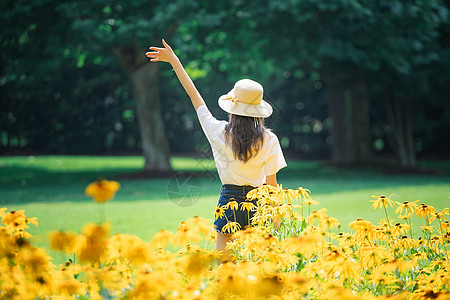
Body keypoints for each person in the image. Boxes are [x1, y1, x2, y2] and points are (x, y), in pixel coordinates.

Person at [146, 40, 287, 258]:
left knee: (225, 269)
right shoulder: (269, 139)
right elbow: (271, 187)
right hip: (258, 206)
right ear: (258, 111)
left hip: (228, 203)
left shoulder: (217, 131)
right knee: (257, 268)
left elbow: (195, 97)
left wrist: (175, 62)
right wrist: (276, 224)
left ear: (233, 107)